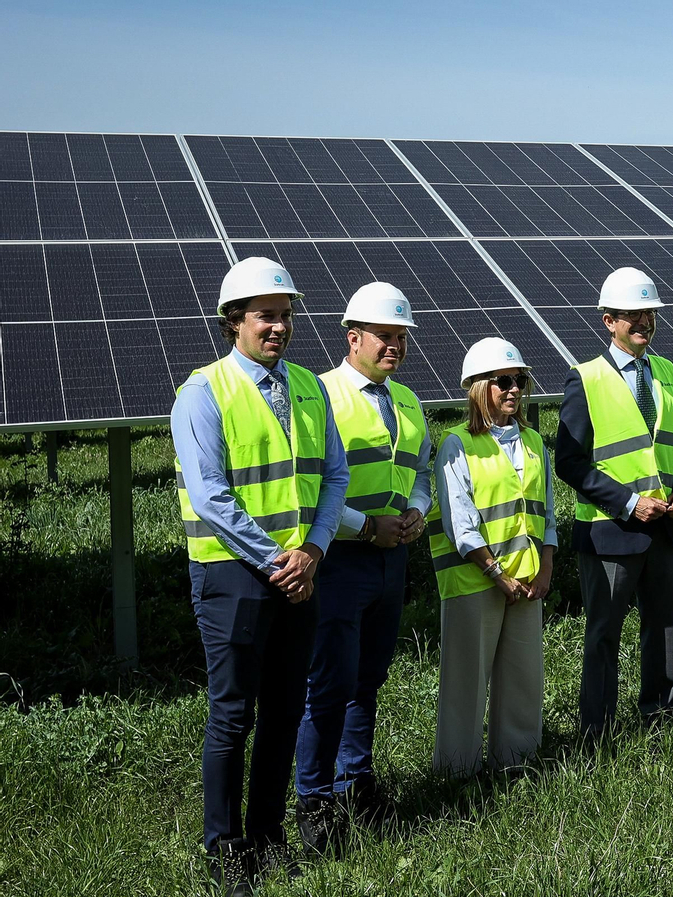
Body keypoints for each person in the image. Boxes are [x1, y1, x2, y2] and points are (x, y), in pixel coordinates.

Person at [170, 256, 349, 894]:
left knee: (283, 711)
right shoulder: (202, 392)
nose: (278, 327)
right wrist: (281, 561)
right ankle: (225, 851)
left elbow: (335, 475)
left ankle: (268, 840)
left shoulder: (309, 387)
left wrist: (315, 551)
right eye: (264, 316)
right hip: (234, 576)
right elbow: (210, 495)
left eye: (285, 315)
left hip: (301, 573)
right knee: (232, 716)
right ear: (233, 322)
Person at [293, 283, 430, 854]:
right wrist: (365, 527)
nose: (394, 345)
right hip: (340, 557)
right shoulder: (320, 395)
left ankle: (355, 782)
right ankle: (314, 798)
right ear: (353, 338)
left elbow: (420, 472)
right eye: (383, 336)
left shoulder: (408, 401)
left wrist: (418, 510)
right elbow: (310, 486)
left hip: (391, 559)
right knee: (329, 681)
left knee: (368, 677)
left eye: (401, 337)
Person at [555, 267, 673, 741]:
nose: (643, 322)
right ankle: (598, 733)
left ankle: (663, 720)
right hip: (610, 530)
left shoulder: (668, 373)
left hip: (665, 527)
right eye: (632, 315)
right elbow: (569, 463)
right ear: (608, 321)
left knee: (665, 629)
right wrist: (629, 502)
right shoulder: (585, 378)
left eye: (649, 314)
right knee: (604, 634)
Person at [427, 337, 557, 777]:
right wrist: (497, 573)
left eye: (519, 380)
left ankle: (515, 765)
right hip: (474, 581)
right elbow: (459, 523)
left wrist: (545, 568)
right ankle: (457, 774)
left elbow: (546, 514)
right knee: (465, 682)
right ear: (479, 387)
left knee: (523, 679)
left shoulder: (535, 441)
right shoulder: (456, 443)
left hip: (527, 582)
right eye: (503, 381)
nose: (514, 388)